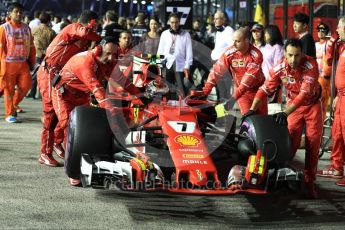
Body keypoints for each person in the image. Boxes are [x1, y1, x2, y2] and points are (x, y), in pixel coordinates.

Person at [51, 40, 140, 185]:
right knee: (71, 126)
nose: (111, 58)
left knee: (86, 127)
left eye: (114, 54)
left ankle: (57, 141)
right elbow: (97, 89)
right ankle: (74, 171)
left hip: (82, 94)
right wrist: (111, 111)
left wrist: (140, 95)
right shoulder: (85, 63)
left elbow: (121, 80)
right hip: (64, 93)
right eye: (108, 54)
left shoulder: (108, 62)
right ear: (98, 50)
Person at [248, 38, 322, 199]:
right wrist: (252, 108)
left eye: (296, 55)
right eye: (290, 55)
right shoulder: (280, 67)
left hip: (311, 106)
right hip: (293, 107)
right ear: (285, 54)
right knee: (290, 143)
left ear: (302, 54)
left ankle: (309, 183)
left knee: (313, 144)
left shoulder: (311, 65)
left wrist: (285, 113)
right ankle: (285, 178)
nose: (293, 60)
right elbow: (264, 89)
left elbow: (303, 95)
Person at [37, 10, 100, 167]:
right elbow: (85, 32)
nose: (96, 30)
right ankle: (45, 153)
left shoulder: (86, 40)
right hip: (48, 73)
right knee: (50, 114)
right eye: (95, 25)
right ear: (89, 23)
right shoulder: (74, 27)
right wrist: (99, 37)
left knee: (67, 114)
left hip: (61, 75)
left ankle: (58, 143)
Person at [201, 28, 267, 115]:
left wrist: (233, 99)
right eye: (233, 41)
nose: (234, 44)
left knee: (263, 119)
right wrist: (206, 91)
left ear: (247, 41)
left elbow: (247, 80)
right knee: (248, 118)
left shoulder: (256, 55)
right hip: (243, 94)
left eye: (237, 41)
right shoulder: (229, 52)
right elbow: (216, 71)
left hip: (259, 91)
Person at [316, 16, 345, 186]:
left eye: (339, 29)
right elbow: (328, 61)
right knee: (337, 133)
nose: (337, 32)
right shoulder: (340, 46)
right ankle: (337, 168)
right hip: (340, 96)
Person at [0, 2, 36, 123]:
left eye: (21, 12)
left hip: (23, 63)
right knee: (8, 89)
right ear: (10, 13)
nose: (19, 14)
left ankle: (14, 104)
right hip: (8, 64)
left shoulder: (26, 28)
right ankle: (9, 114)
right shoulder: (4, 28)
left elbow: (31, 46)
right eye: (16, 11)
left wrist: (32, 61)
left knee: (27, 85)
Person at [157, 13, 193, 97]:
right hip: (167, 64)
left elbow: (189, 52)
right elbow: (160, 51)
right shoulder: (164, 34)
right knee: (166, 90)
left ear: (179, 22)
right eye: (172, 22)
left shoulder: (186, 34)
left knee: (182, 90)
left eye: (176, 22)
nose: (174, 24)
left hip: (181, 65)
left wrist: (187, 66)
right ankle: (167, 107)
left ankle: (182, 107)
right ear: (169, 22)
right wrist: (159, 64)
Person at [27, 12, 56, 99]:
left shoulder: (34, 29)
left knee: (34, 74)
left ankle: (32, 92)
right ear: (49, 20)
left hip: (35, 54)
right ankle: (41, 93)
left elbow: (29, 39)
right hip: (45, 55)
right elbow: (54, 45)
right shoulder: (51, 32)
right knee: (42, 75)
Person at [315, 22, 331, 120]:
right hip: (315, 76)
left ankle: (321, 120)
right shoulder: (315, 44)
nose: (321, 32)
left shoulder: (328, 44)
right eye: (319, 30)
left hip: (324, 77)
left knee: (323, 101)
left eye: (323, 31)